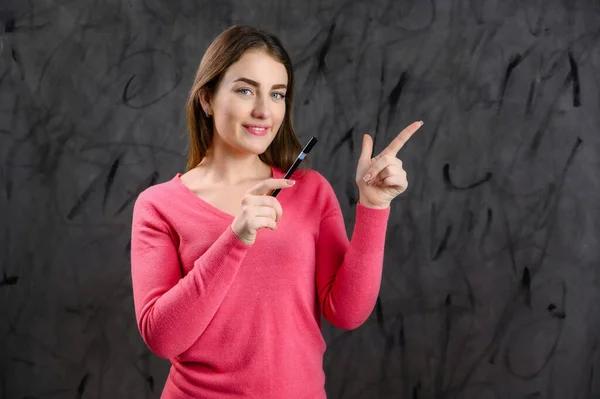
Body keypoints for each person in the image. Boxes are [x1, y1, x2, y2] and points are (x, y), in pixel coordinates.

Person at [130, 24, 423, 399]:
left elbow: (346, 312)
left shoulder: (311, 191)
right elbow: (162, 337)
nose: (263, 110)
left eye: (277, 94)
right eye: (245, 90)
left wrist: (374, 206)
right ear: (206, 98)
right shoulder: (159, 205)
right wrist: (235, 239)